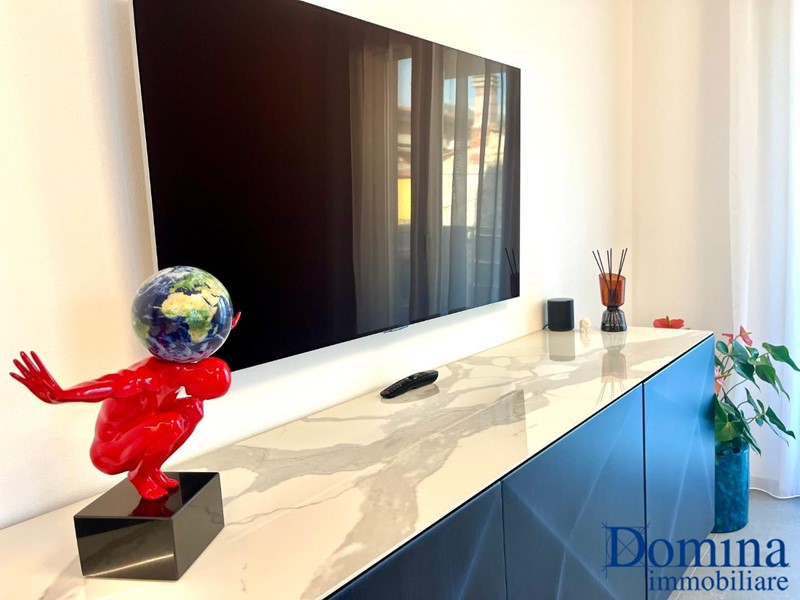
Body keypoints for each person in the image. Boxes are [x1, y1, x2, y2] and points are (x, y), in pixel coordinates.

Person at [11, 346, 234, 500]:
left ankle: (152, 469)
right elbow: (109, 384)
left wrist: (221, 323)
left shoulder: (180, 368)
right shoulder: (147, 379)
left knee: (193, 409)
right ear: (199, 379)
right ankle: (140, 476)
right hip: (110, 452)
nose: (200, 397)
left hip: (139, 433)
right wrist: (62, 395)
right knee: (171, 422)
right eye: (204, 392)